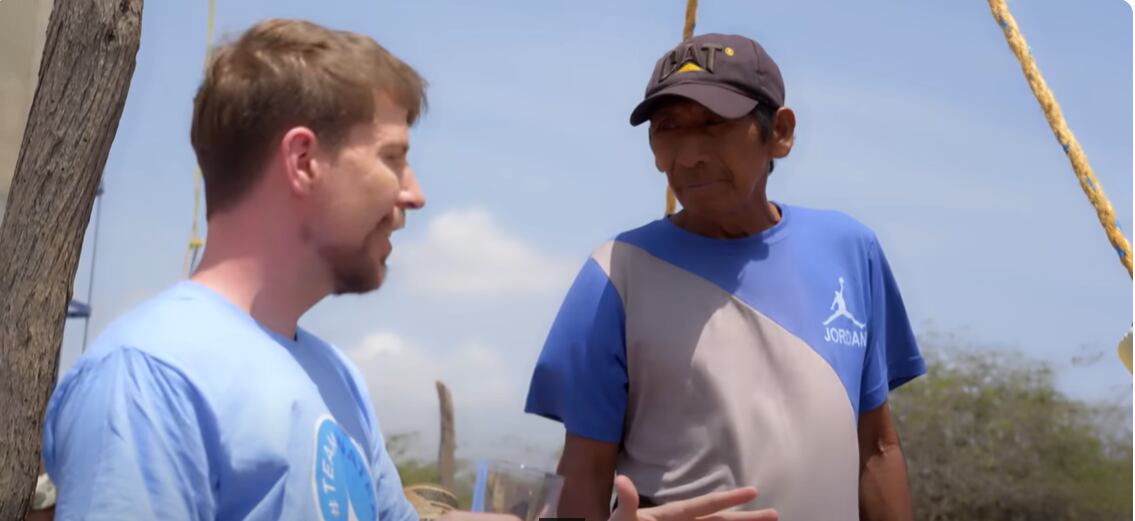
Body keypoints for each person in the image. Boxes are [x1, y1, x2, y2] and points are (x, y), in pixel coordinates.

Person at [39, 19, 777, 521]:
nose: (413, 192)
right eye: (392, 157)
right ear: (303, 161)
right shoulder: (149, 378)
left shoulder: (329, 373)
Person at [525, 33, 926, 521]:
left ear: (779, 132)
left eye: (715, 125)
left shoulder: (850, 250)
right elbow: (586, 468)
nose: (689, 154)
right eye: (668, 127)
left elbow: (877, 449)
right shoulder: (616, 272)